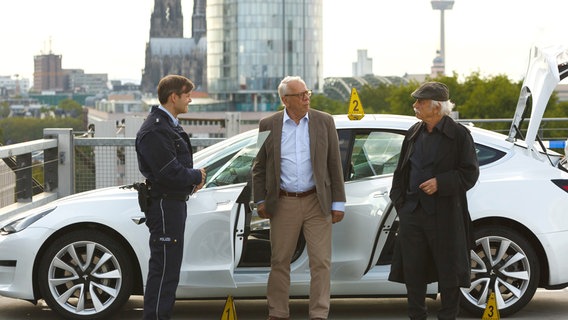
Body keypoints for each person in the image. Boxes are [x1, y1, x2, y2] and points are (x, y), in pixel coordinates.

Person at [252, 76, 346, 320]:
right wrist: (260, 200)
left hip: (317, 201)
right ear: (285, 100)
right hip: (283, 203)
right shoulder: (267, 125)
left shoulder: (324, 122)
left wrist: (338, 202)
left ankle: (318, 314)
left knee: (321, 262)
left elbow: (334, 164)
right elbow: (258, 166)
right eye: (301, 95)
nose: (307, 98)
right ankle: (278, 312)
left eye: (308, 93)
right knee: (280, 260)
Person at [388, 81, 480, 320]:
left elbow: (470, 174)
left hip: (445, 215)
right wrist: (401, 203)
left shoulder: (459, 135)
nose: (415, 105)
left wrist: (441, 182)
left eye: (421, 101)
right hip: (412, 213)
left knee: (449, 272)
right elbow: (401, 172)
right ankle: (416, 316)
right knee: (413, 270)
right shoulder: (413, 132)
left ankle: (448, 316)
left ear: (437, 107)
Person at [135, 75, 206, 320]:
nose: (190, 100)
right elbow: (168, 172)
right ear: (173, 97)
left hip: (172, 203)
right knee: (164, 269)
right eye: (187, 95)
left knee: (168, 268)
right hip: (164, 204)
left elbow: (173, 169)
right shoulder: (156, 128)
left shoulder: (167, 124)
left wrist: (190, 181)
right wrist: (195, 175)